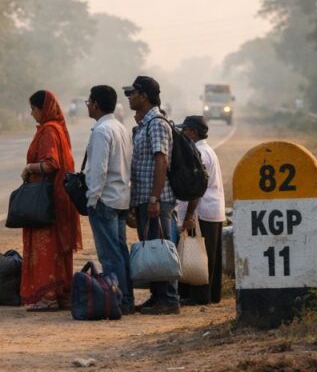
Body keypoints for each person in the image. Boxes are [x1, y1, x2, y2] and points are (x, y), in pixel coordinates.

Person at [19, 90, 82, 311]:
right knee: (57, 245)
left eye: (34, 109)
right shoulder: (58, 129)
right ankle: (61, 293)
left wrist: (29, 168)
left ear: (42, 109)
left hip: (47, 200)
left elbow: (50, 163)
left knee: (46, 246)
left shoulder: (48, 131)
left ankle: (48, 295)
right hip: (59, 197)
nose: (32, 113)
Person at [123, 75, 180, 315]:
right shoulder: (145, 124)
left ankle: (168, 299)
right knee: (152, 247)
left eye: (132, 93)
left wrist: (155, 198)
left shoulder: (156, 123)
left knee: (160, 247)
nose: (129, 98)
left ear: (144, 96)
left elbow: (162, 160)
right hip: (145, 197)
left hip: (156, 197)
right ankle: (158, 296)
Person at [83, 85, 134, 314]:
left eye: (89, 101)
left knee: (110, 256)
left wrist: (92, 199)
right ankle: (127, 298)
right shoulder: (121, 128)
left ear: (96, 104)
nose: (87, 105)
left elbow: (99, 170)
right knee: (120, 252)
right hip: (121, 197)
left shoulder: (102, 131)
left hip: (105, 200)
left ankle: (119, 301)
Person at [176, 115, 226, 305]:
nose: (182, 133)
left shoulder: (199, 153)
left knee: (200, 254)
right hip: (213, 209)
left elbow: (197, 188)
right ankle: (212, 294)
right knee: (211, 254)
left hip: (203, 210)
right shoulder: (207, 150)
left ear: (193, 132)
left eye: (185, 130)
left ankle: (199, 296)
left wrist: (189, 215)